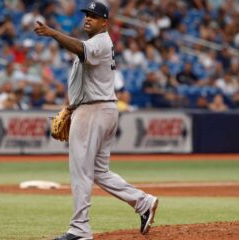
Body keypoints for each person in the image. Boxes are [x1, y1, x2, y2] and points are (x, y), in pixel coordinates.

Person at [34, 2, 158, 240]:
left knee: (80, 170)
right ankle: (143, 202)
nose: (89, 18)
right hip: (100, 108)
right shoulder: (96, 43)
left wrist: (53, 33)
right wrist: (72, 106)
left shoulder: (99, 41)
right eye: (87, 15)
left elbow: (79, 49)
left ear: (105, 22)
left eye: (94, 16)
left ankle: (80, 229)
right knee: (99, 171)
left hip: (93, 111)